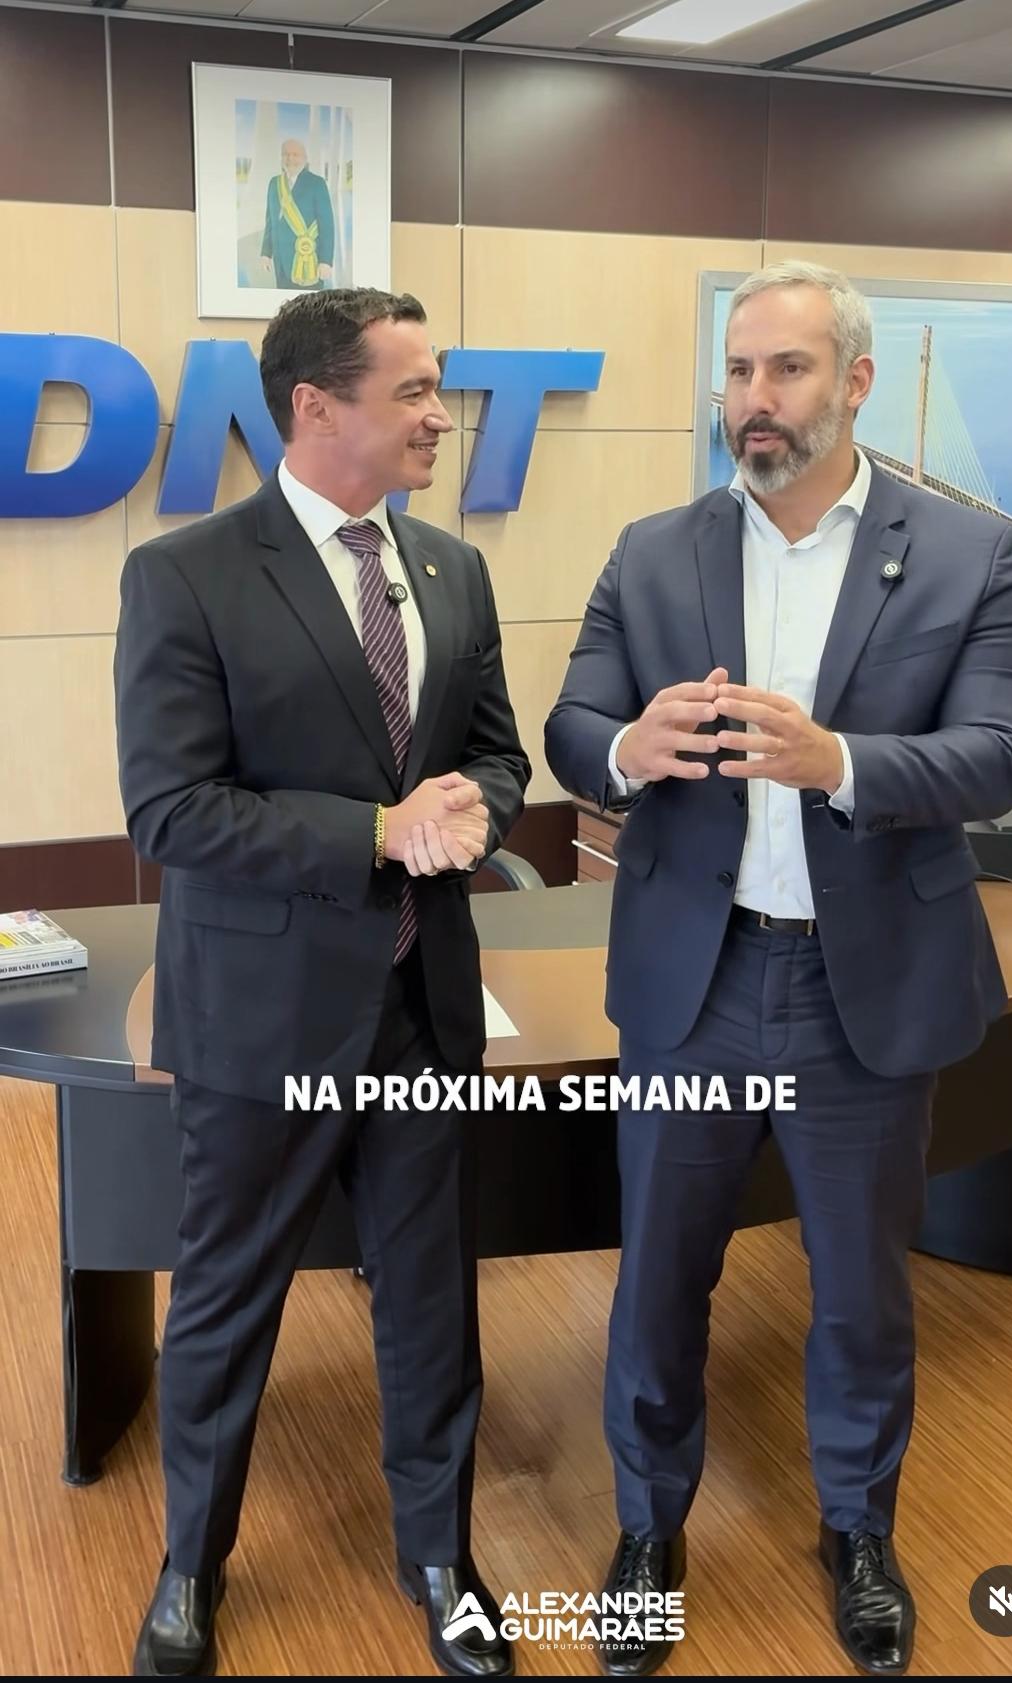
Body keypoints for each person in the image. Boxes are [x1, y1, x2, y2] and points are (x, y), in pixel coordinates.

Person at [544, 261, 1012, 1678]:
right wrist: (627, 747)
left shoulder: (973, 554)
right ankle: (648, 1532)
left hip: (857, 989)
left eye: (788, 369)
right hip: (693, 986)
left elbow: (1004, 753)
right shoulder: (653, 550)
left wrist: (841, 762)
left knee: (861, 1292)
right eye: (738, 370)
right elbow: (572, 724)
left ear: (857, 382)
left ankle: (859, 1529)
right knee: (659, 1279)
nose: (753, 399)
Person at [115, 286, 529, 1678]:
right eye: (413, 391)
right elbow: (171, 810)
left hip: (422, 1011)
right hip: (261, 1021)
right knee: (228, 1299)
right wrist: (375, 832)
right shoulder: (186, 574)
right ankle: (190, 1562)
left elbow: (498, 752)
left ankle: (440, 1555)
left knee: (432, 1299)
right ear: (315, 406)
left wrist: (478, 805)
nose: (438, 416)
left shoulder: (453, 570)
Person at [260, 138, 335, 289]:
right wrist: (266, 253)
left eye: (295, 154)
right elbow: (270, 222)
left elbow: (327, 225)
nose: (290, 158)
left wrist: (325, 261)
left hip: (308, 261)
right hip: (280, 263)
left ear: (305, 158)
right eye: (286, 154)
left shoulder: (317, 183)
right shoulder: (274, 183)